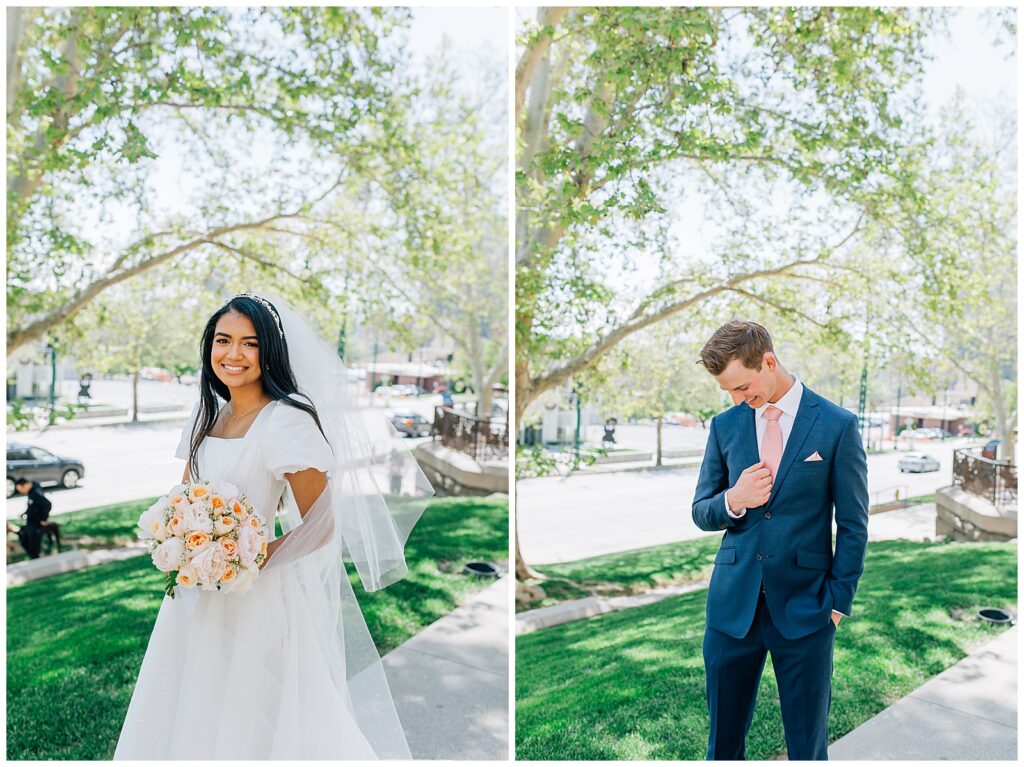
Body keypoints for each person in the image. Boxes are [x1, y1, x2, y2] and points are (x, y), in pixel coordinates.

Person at [114, 293, 431, 759]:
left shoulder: (287, 420)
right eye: (223, 341)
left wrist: (245, 558)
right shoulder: (205, 415)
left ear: (270, 352)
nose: (233, 354)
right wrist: (179, 541)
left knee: (253, 719)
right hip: (190, 596)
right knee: (186, 708)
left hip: (255, 598)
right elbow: (183, 498)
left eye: (250, 343)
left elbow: (321, 522)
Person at [691, 320, 868, 761]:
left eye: (743, 387)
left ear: (768, 361)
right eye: (729, 392)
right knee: (722, 746)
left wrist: (837, 602)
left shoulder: (836, 425)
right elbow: (701, 511)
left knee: (807, 748)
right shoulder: (725, 426)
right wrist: (734, 499)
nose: (737, 399)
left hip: (807, 611)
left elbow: (853, 524)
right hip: (732, 612)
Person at [14, 478, 58, 559]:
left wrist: (44, 519)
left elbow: (47, 504)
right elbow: (33, 506)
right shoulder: (31, 493)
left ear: (25, 485)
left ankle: (36, 561)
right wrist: (25, 513)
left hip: (36, 524)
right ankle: (34, 558)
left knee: (34, 547)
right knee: (24, 542)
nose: (21, 491)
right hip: (30, 523)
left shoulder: (35, 493)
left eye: (21, 489)